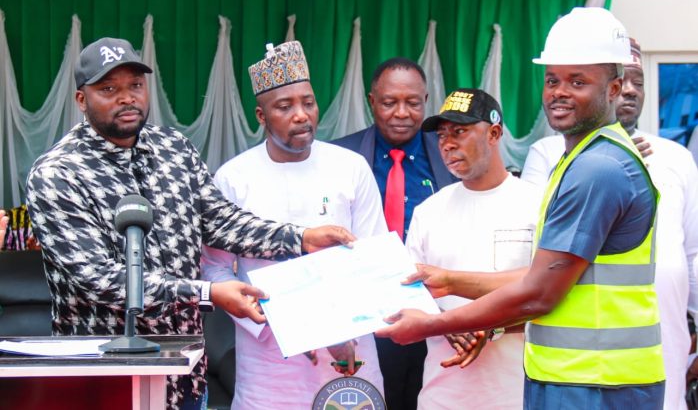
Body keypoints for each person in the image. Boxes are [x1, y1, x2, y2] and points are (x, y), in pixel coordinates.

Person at [25, 37, 353, 410]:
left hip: (183, 375)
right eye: (109, 89)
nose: (127, 98)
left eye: (135, 85)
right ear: (82, 100)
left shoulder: (174, 149)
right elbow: (98, 278)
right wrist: (206, 293)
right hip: (103, 379)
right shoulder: (58, 173)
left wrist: (301, 238)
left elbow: (222, 221)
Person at [376, 7, 665, 409]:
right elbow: (540, 280)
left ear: (614, 89)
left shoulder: (597, 168)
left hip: (595, 383)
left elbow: (538, 292)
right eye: (552, 80)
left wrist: (433, 323)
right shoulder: (579, 162)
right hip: (574, 378)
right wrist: (450, 284)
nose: (559, 92)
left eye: (578, 81)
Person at [201, 41, 385, 409]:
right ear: (261, 115)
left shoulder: (349, 167)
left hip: (347, 346)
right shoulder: (234, 178)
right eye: (285, 107)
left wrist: (340, 327)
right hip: (269, 356)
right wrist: (270, 317)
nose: (301, 115)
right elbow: (214, 269)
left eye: (308, 103)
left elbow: (373, 257)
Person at [521, 38, 698, 410]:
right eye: (624, 79)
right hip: (580, 364)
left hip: (660, 336)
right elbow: (540, 245)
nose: (631, 90)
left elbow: (692, 254)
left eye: (639, 81)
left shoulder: (676, 157)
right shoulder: (553, 154)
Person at [334, 57, 456, 410]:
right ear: (372, 101)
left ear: (426, 100)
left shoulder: (450, 156)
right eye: (389, 102)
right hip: (364, 312)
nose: (401, 113)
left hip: (434, 309)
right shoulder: (340, 157)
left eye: (412, 102)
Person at [406, 88, 541, 409]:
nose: (447, 144)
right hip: (442, 396)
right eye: (442, 135)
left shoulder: (537, 203)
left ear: (494, 133)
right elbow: (407, 296)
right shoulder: (429, 211)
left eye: (459, 132)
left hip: (517, 395)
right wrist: (446, 323)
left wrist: (487, 327)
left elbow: (552, 294)